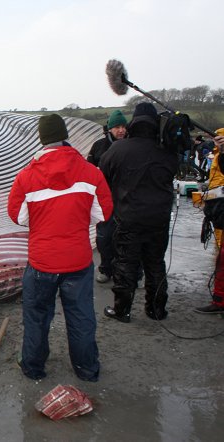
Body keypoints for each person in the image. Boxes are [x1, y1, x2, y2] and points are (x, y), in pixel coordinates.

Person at [8, 114, 112, 382]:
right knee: (81, 317)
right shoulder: (92, 173)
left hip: (42, 262)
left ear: (42, 140)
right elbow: (103, 213)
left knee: (37, 317)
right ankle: (87, 370)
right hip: (77, 261)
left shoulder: (26, 176)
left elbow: (18, 217)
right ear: (65, 136)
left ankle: (33, 367)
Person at [99, 102, 179, 323]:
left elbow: (103, 177)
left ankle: (122, 310)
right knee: (155, 262)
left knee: (125, 263)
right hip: (159, 219)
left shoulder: (118, 149)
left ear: (133, 121)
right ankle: (157, 310)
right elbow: (174, 170)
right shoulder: (167, 150)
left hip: (129, 218)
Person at [86, 110, 127, 283]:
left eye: (123, 126)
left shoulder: (130, 144)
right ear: (110, 128)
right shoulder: (99, 146)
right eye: (117, 127)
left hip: (126, 198)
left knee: (125, 236)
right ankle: (105, 268)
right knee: (104, 237)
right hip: (104, 198)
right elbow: (88, 169)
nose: (121, 130)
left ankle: (124, 269)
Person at [195, 130, 224, 314]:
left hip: (220, 205)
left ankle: (220, 301)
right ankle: (219, 300)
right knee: (221, 259)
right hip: (219, 207)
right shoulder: (218, 154)